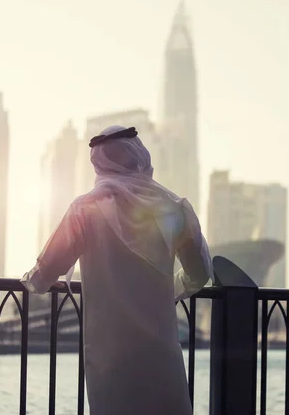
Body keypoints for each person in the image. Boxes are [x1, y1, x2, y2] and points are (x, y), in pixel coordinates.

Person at [21, 125, 213, 415]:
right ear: (141, 157)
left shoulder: (84, 209)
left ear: (98, 163)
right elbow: (199, 274)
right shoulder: (175, 208)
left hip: (109, 354)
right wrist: (167, 291)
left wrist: (30, 281)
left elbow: (45, 272)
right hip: (159, 349)